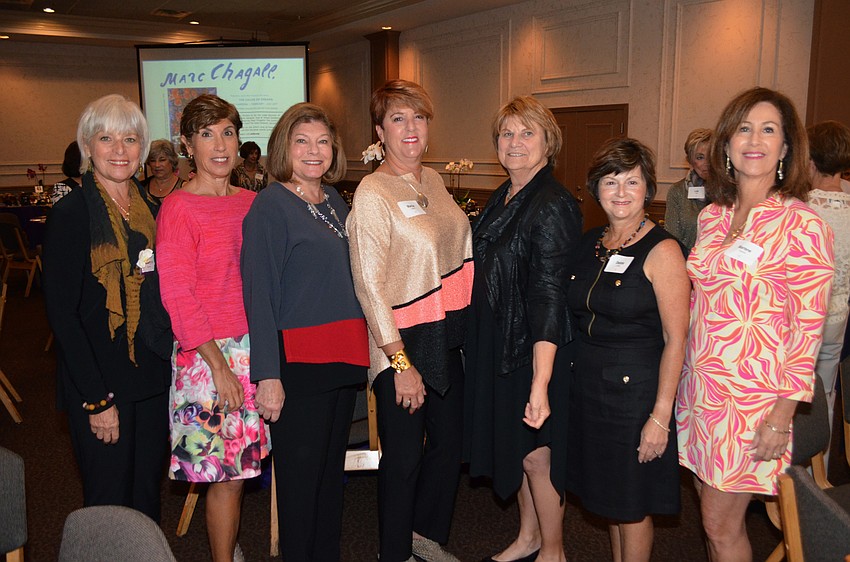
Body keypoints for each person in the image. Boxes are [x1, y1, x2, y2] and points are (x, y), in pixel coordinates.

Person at [676, 87, 834, 561]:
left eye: (769, 129)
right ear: (726, 144)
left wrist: (782, 416)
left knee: (719, 524)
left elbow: (807, 331)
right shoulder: (712, 218)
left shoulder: (804, 225)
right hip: (702, 391)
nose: (754, 139)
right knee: (709, 513)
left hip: (754, 401)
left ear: (786, 148)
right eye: (743, 128)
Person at [347, 79, 473, 562]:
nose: (411, 128)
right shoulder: (373, 192)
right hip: (398, 345)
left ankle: (426, 538)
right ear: (380, 130)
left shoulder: (435, 181)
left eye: (418, 117)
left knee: (447, 449)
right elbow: (369, 285)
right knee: (402, 461)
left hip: (444, 339)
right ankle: (394, 552)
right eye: (398, 119)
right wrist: (400, 363)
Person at [242, 102, 369, 561]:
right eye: (302, 142)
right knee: (299, 486)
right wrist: (268, 376)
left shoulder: (333, 200)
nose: (314, 151)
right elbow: (260, 297)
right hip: (297, 365)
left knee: (328, 481)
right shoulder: (270, 206)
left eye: (322, 142)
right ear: (284, 148)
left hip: (341, 357)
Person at [42, 94, 173, 522]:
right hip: (99, 384)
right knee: (109, 506)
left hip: (150, 379)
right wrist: (97, 401)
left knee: (146, 500)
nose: (120, 150)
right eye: (106, 138)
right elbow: (63, 316)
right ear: (87, 145)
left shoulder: (153, 211)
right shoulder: (72, 213)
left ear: (143, 148)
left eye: (130, 139)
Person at [464, 96, 582, 562]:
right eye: (507, 134)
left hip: (536, 347)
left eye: (527, 133)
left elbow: (549, 295)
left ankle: (554, 550)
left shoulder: (551, 203)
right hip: (503, 342)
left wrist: (541, 380)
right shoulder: (505, 194)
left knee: (538, 454)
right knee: (520, 450)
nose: (515, 143)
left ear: (548, 143)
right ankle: (528, 536)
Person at [156, 94, 270, 562]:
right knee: (223, 479)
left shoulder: (253, 204)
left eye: (227, 132)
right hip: (208, 358)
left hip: (254, 350)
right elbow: (178, 297)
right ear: (188, 144)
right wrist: (220, 367)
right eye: (206, 134)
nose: (219, 145)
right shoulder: (179, 208)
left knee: (239, 473)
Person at [566, 138, 690, 562]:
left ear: (648, 189)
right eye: (610, 181)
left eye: (632, 182)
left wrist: (660, 416)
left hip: (634, 397)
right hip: (589, 391)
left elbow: (677, 339)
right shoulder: (588, 244)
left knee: (632, 506)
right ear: (595, 188)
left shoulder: (664, 250)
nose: (620, 192)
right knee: (610, 503)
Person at [806, 121, 850, 441]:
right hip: (838, 315)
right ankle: (818, 471)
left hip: (802, 318)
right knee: (827, 394)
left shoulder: (801, 209)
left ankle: (797, 479)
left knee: (797, 396)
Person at [664, 128, 712, 249]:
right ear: (690, 161)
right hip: (685, 262)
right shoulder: (677, 192)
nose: (707, 163)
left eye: (711, 156)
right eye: (700, 157)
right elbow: (671, 239)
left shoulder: (731, 191)